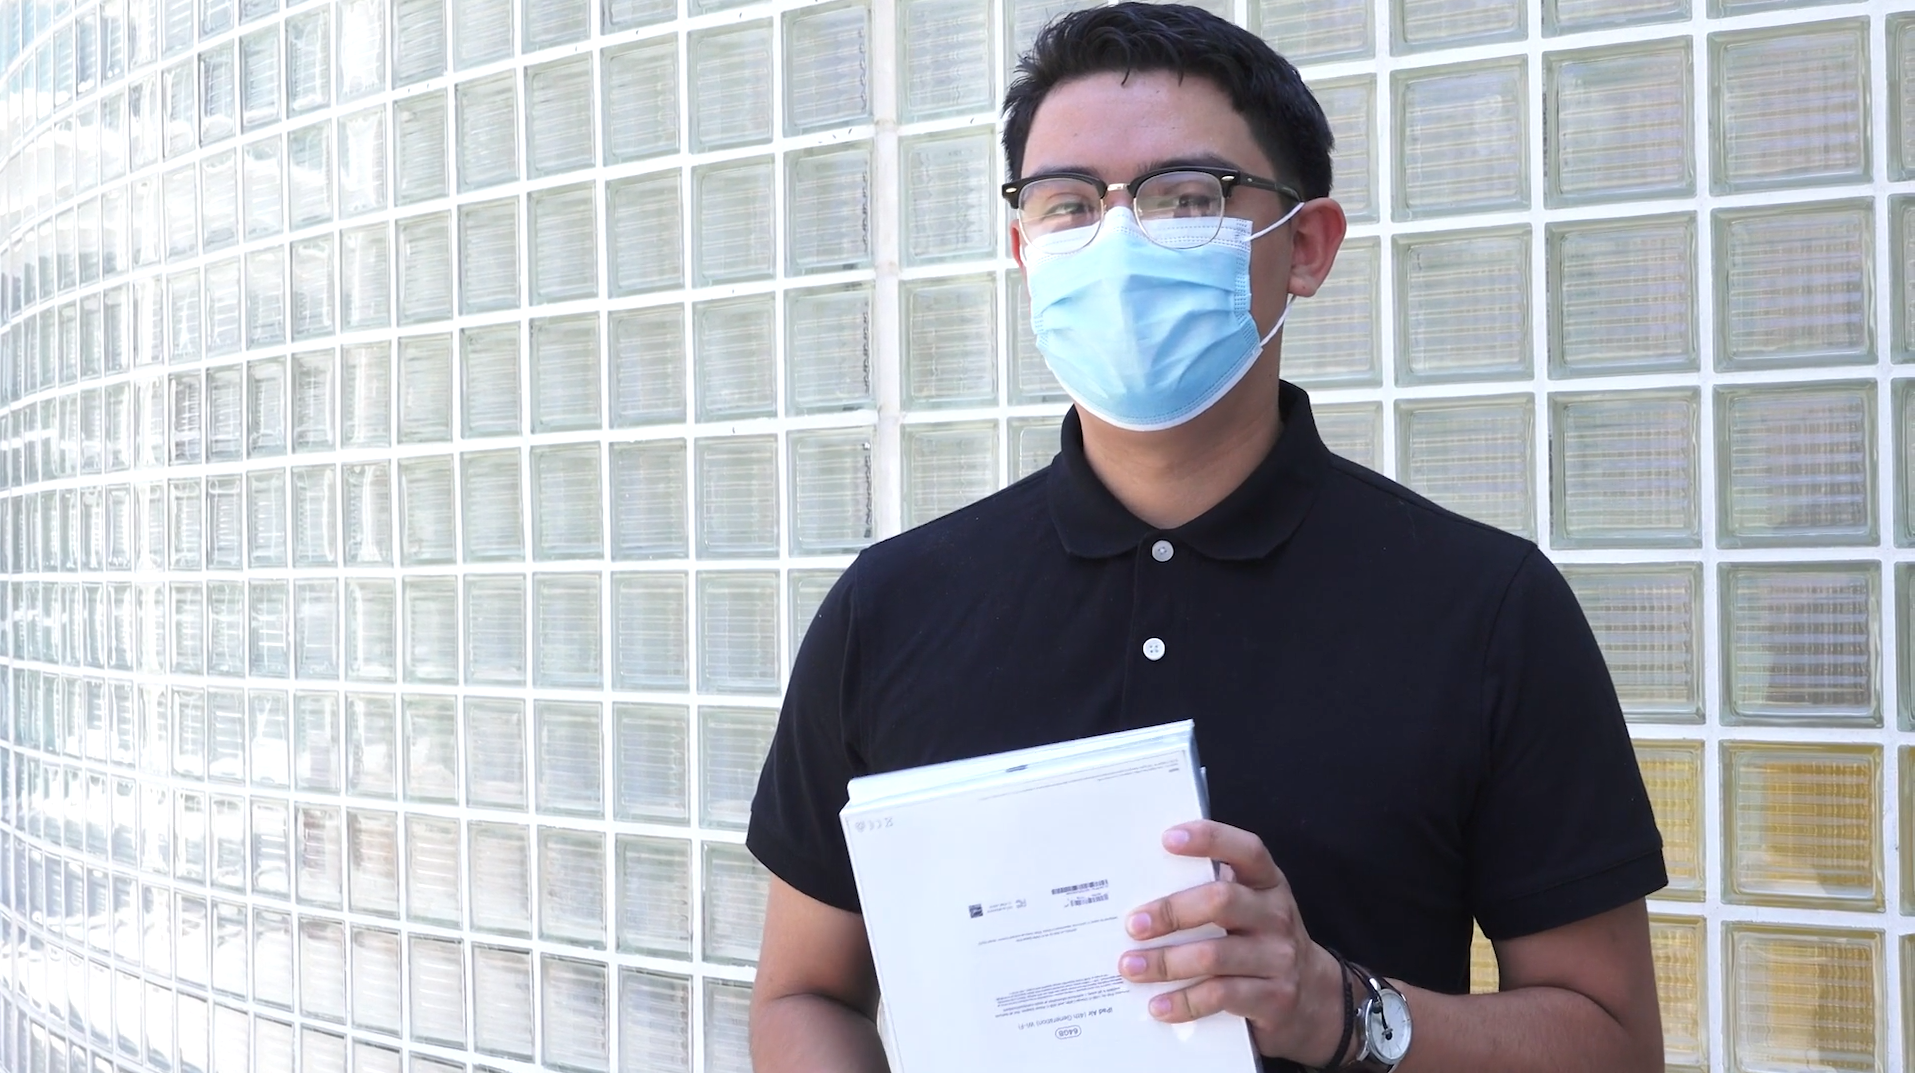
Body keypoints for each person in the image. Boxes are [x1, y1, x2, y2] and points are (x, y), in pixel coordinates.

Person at [745, 4, 1668, 1071]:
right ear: (1022, 249)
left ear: (1305, 246)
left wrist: (1338, 1008)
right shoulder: (889, 606)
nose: (1118, 237)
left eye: (1186, 197)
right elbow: (805, 992)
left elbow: (1610, 1038)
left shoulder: (1485, 607)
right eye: (1067, 204)